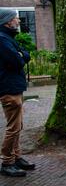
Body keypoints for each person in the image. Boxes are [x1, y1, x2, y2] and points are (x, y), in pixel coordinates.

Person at [0, 9, 35, 177]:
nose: (18, 21)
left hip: (15, 87)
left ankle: (16, 157)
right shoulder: (2, 39)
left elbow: (25, 55)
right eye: (15, 18)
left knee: (17, 125)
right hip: (9, 88)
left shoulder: (8, 38)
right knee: (13, 127)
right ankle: (7, 162)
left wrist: (21, 55)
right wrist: (20, 55)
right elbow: (17, 61)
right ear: (7, 22)